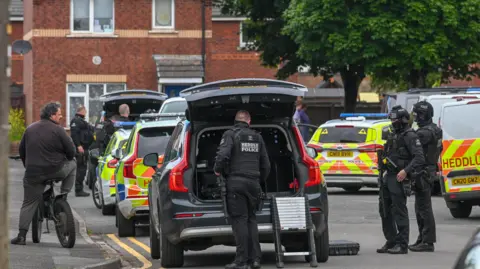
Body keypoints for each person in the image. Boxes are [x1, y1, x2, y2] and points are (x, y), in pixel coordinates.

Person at [11, 102, 77, 245]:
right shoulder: (58, 130)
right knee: (73, 163)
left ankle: (21, 237)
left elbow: (22, 151)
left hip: (33, 174)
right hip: (56, 170)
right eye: (59, 114)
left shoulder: (29, 129)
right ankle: (63, 196)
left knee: (28, 203)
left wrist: (28, 166)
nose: (60, 117)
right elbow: (71, 152)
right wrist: (67, 157)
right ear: (52, 115)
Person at [214, 110, 271, 269]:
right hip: (254, 183)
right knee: (251, 220)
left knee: (240, 221)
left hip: (236, 183)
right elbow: (266, 165)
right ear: (249, 121)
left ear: (236, 121)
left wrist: (217, 170)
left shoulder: (230, 134)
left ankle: (241, 261)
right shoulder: (257, 137)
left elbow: (223, 154)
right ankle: (255, 259)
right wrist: (259, 180)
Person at [377, 105, 425, 254]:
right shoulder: (393, 135)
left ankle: (402, 244)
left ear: (403, 120)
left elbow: (419, 157)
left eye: (395, 120)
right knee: (384, 209)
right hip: (388, 176)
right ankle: (391, 240)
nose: (393, 122)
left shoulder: (410, 136)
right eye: (392, 119)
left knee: (399, 211)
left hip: (399, 177)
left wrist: (405, 171)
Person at [409, 101, 441, 252]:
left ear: (426, 115)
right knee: (420, 207)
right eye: (416, 115)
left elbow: (410, 146)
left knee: (424, 208)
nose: (417, 118)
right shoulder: (435, 129)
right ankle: (422, 238)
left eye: (419, 115)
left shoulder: (425, 133)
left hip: (424, 172)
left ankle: (427, 241)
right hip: (427, 170)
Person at [70, 106, 94, 197]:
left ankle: (80, 189)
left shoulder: (81, 121)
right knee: (81, 169)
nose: (86, 113)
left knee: (83, 169)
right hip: (81, 148)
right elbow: (74, 134)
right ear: (82, 111)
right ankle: (78, 190)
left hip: (84, 148)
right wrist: (78, 146)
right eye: (85, 111)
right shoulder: (76, 121)